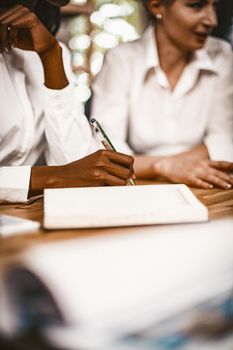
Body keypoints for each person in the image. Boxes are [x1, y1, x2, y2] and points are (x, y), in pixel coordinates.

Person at [0, 0, 134, 203]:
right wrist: (56, 177)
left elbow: (77, 167)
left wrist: (52, 56)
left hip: (27, 218)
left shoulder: (49, 47)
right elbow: (70, 175)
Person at [91, 0, 233, 190]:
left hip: (205, 181)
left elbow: (224, 141)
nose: (212, 20)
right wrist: (163, 166)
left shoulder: (222, 54)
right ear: (156, 6)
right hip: (136, 187)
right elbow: (109, 152)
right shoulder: (121, 59)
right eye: (196, 6)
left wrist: (165, 165)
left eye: (214, 6)